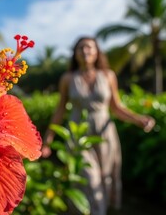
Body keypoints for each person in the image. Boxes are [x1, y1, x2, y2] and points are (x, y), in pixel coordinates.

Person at [41, 36, 155, 215]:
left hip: (104, 133)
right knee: (88, 179)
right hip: (78, 134)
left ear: (97, 52)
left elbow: (117, 107)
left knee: (105, 177)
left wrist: (138, 119)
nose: (85, 51)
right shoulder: (67, 79)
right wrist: (48, 139)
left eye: (89, 47)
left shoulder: (108, 75)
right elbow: (60, 111)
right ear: (75, 53)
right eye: (81, 48)